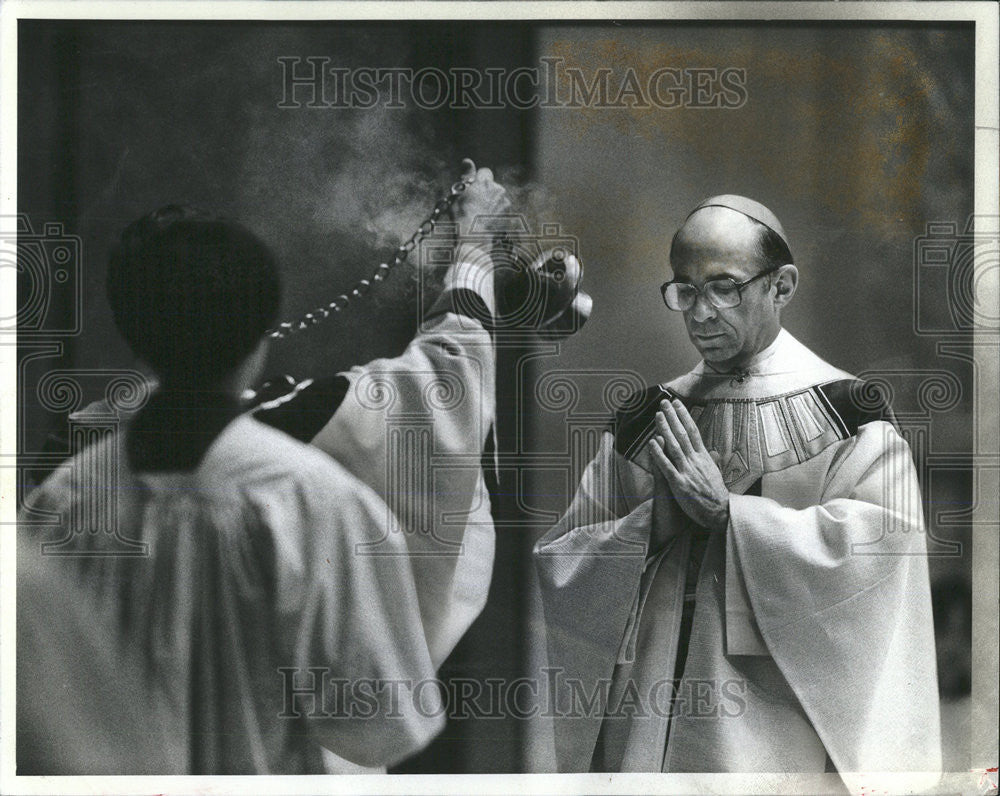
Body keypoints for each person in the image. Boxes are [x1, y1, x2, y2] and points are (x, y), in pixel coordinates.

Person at [17, 161, 510, 774]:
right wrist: (473, 250)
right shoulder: (311, 499)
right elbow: (379, 724)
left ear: (133, 333)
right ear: (263, 333)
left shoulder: (61, 500)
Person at [533, 195, 941, 789]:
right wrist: (656, 525)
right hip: (648, 711)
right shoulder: (649, 417)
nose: (700, 313)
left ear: (782, 286)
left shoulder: (850, 411)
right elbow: (564, 561)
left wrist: (731, 518)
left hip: (771, 725)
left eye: (723, 287)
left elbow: (881, 559)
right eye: (685, 289)